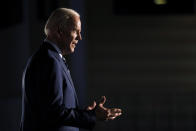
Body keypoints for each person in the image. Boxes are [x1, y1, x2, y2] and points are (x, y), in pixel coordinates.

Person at [20, 8, 122, 131]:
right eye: (76, 31)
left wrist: (85, 114)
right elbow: (54, 113)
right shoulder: (49, 60)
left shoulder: (50, 57)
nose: (80, 37)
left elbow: (52, 110)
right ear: (59, 31)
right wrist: (92, 115)